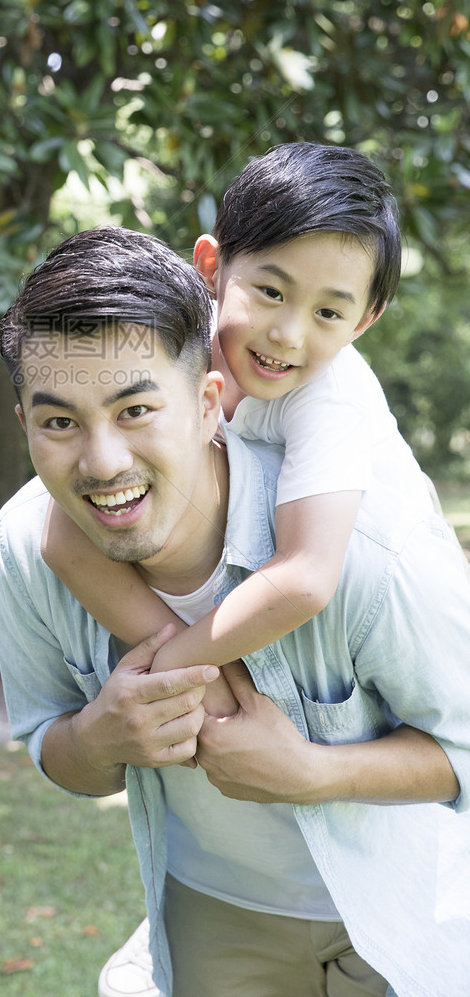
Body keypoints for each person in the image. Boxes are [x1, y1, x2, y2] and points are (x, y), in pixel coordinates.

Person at [0, 225, 470, 997]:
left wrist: (312, 773)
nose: (103, 461)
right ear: (26, 428)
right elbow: (55, 748)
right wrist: (101, 735)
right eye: (59, 423)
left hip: (413, 913)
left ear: (210, 402)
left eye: (136, 410)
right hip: (214, 915)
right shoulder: (27, 544)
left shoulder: (372, 550)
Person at [41, 144, 435, 723]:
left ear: (364, 320)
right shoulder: (170, 348)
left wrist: (173, 666)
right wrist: (194, 674)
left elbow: (305, 577)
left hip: (401, 625)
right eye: (271, 292)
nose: (288, 334)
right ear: (210, 267)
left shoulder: (335, 396)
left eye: (328, 313)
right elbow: (61, 542)